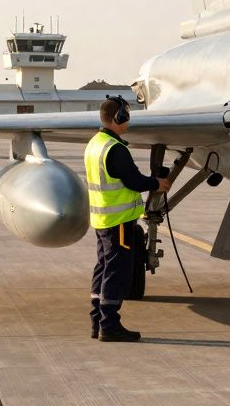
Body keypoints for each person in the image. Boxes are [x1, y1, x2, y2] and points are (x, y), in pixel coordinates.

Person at [85, 96, 171, 342]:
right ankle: (110, 326)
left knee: (103, 268)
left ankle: (97, 322)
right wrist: (157, 183)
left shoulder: (95, 143)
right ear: (118, 117)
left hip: (102, 219)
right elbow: (133, 181)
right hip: (119, 222)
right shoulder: (115, 148)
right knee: (117, 273)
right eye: (127, 116)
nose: (128, 121)